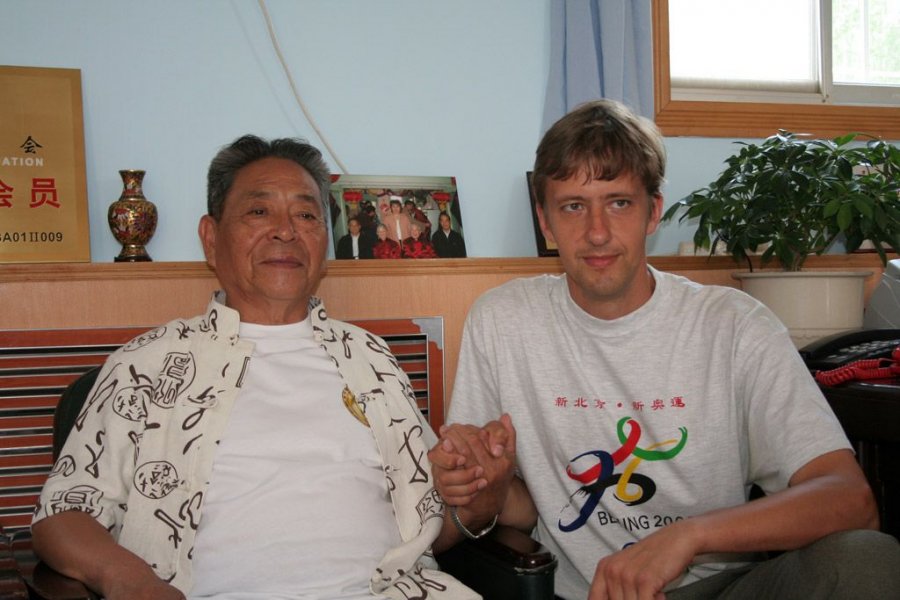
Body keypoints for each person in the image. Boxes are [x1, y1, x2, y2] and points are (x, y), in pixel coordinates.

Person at [429, 100, 900, 599]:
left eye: (618, 202)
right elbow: (516, 505)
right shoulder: (503, 320)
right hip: (583, 593)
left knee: (867, 559)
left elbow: (851, 499)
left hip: (720, 586)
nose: (596, 232)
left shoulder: (735, 325)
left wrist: (688, 537)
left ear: (653, 211)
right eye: (572, 206)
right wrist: (486, 488)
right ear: (545, 223)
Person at [30, 135, 478, 600]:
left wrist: (481, 488)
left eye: (306, 214)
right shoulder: (147, 363)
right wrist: (130, 581)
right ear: (210, 237)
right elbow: (61, 516)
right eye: (259, 212)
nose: (286, 231)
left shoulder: (373, 359)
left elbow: (430, 523)